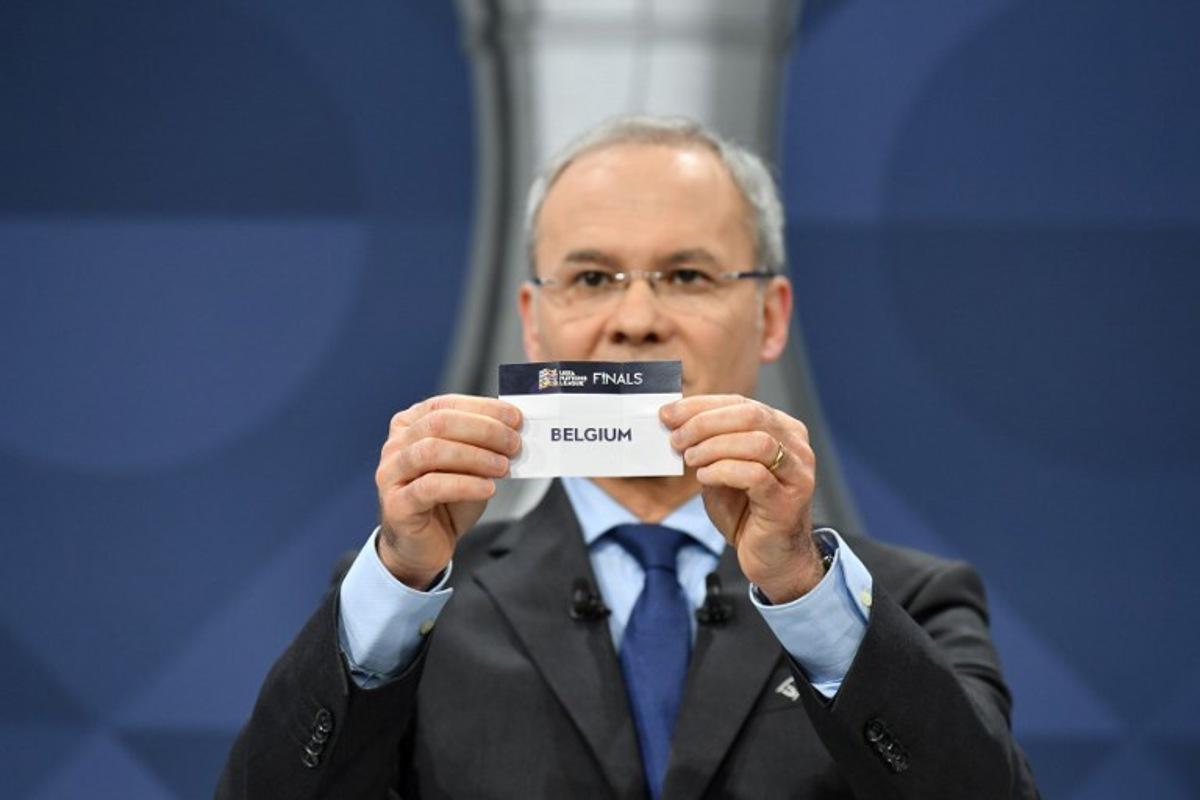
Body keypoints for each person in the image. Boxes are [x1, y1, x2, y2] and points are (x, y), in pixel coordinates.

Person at [218, 116, 1040, 799]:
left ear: (771, 315)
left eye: (686, 275)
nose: (637, 320)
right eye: (593, 277)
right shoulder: (409, 609)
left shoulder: (909, 601)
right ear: (534, 322)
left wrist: (801, 589)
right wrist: (398, 576)